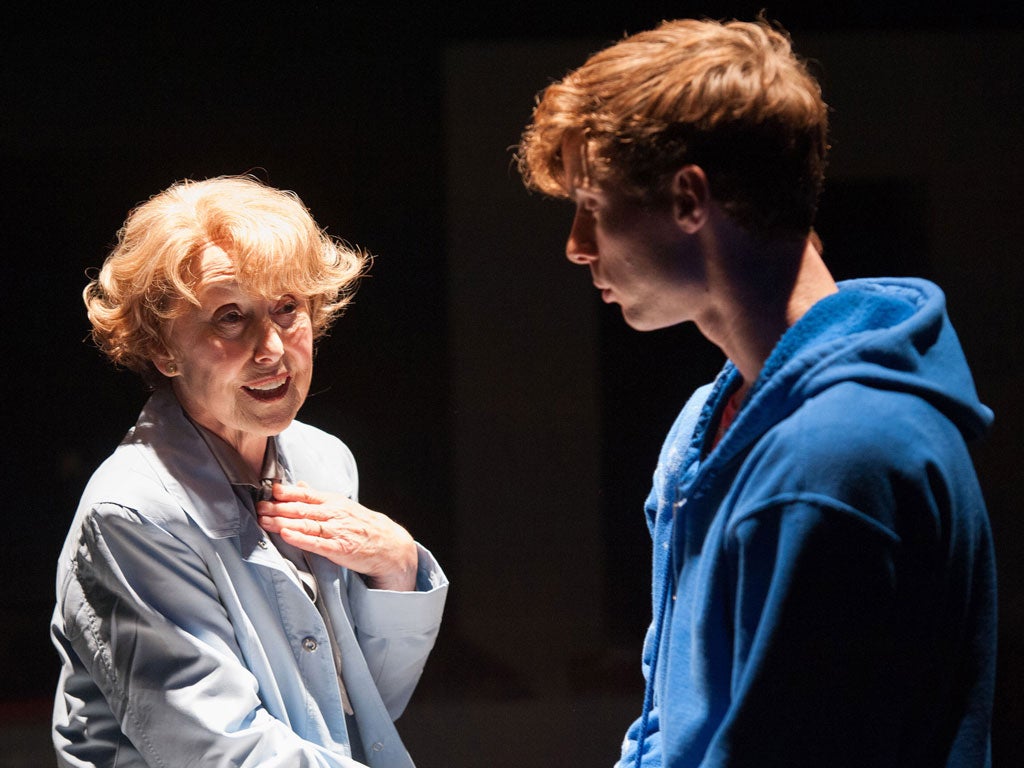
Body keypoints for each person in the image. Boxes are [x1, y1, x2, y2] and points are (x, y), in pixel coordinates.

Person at [517, 17, 996, 768]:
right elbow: (665, 727)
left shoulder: (841, 456)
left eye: (594, 205)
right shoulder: (705, 432)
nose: (578, 244)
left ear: (688, 200)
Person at [51, 175, 448, 767]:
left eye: (287, 308)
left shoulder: (322, 459)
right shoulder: (132, 512)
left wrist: (399, 566)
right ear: (163, 348)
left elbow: (366, 711)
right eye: (230, 317)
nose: (272, 349)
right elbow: (221, 750)